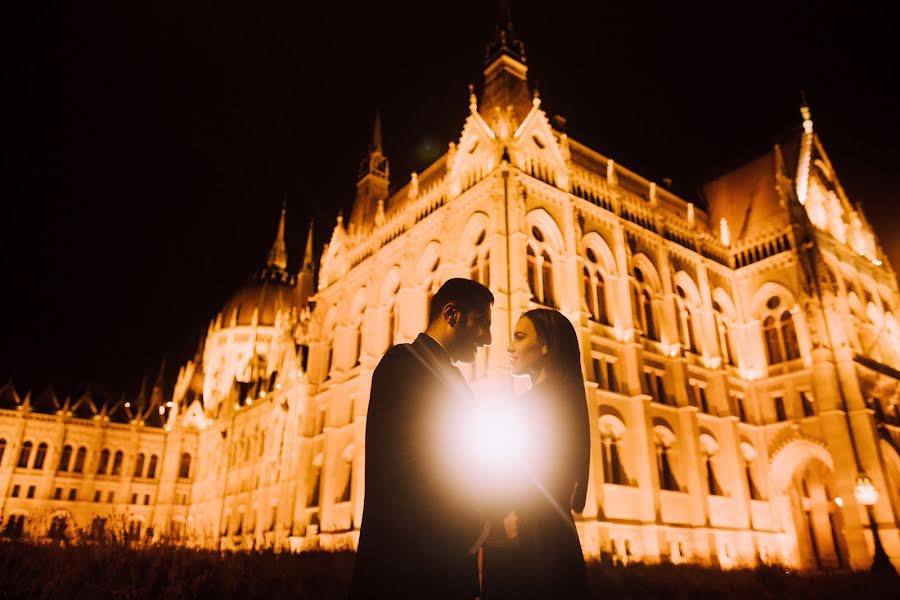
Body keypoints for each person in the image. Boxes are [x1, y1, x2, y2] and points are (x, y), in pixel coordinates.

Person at [350, 278, 494, 600]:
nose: (488, 338)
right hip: (408, 568)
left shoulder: (450, 377)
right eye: (482, 323)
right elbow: (408, 466)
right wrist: (471, 525)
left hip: (444, 563)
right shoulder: (403, 364)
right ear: (452, 314)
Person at [482, 308, 591, 600]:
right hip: (556, 542)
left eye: (519, 337)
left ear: (546, 346)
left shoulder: (534, 405)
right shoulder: (566, 401)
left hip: (526, 546)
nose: (509, 347)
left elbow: (507, 479)